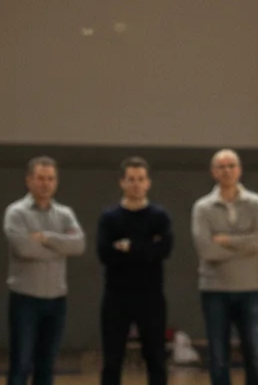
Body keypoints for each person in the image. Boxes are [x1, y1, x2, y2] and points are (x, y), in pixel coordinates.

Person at [3, 155, 86, 385]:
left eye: (50, 178)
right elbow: (24, 249)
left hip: (56, 299)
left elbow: (78, 245)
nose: (46, 184)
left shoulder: (65, 213)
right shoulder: (16, 212)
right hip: (25, 299)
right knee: (21, 363)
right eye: (40, 178)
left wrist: (46, 238)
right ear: (29, 180)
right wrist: (60, 247)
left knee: (47, 364)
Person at [193, 149, 258, 385]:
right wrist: (245, 246)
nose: (226, 170)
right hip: (214, 290)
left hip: (249, 289)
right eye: (221, 166)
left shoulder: (256, 203)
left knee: (254, 355)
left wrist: (227, 240)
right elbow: (206, 250)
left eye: (231, 165)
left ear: (239, 169)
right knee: (218, 357)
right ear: (213, 172)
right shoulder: (202, 207)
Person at [96, 157, 173, 385]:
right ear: (122, 182)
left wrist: (129, 246)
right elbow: (105, 254)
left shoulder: (159, 217)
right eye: (131, 180)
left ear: (148, 182)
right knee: (112, 361)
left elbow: (164, 250)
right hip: (116, 297)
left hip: (151, 297)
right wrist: (147, 247)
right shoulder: (109, 218)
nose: (136, 184)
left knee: (156, 359)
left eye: (140, 179)